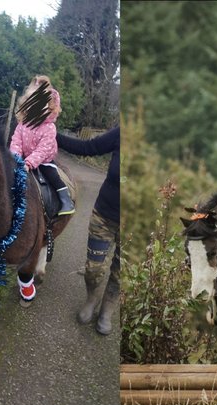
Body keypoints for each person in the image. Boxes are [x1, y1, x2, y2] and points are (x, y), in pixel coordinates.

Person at [56, 126, 119, 335]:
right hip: (104, 216)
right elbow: (89, 147)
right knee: (93, 268)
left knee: (120, 273)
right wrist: (52, 133)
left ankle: (107, 310)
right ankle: (92, 299)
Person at [10, 76, 75, 217]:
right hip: (23, 159)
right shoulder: (22, 125)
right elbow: (16, 142)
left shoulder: (49, 128)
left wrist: (29, 163)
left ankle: (66, 200)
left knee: (52, 175)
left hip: (44, 160)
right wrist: (15, 158)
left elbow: (43, 150)